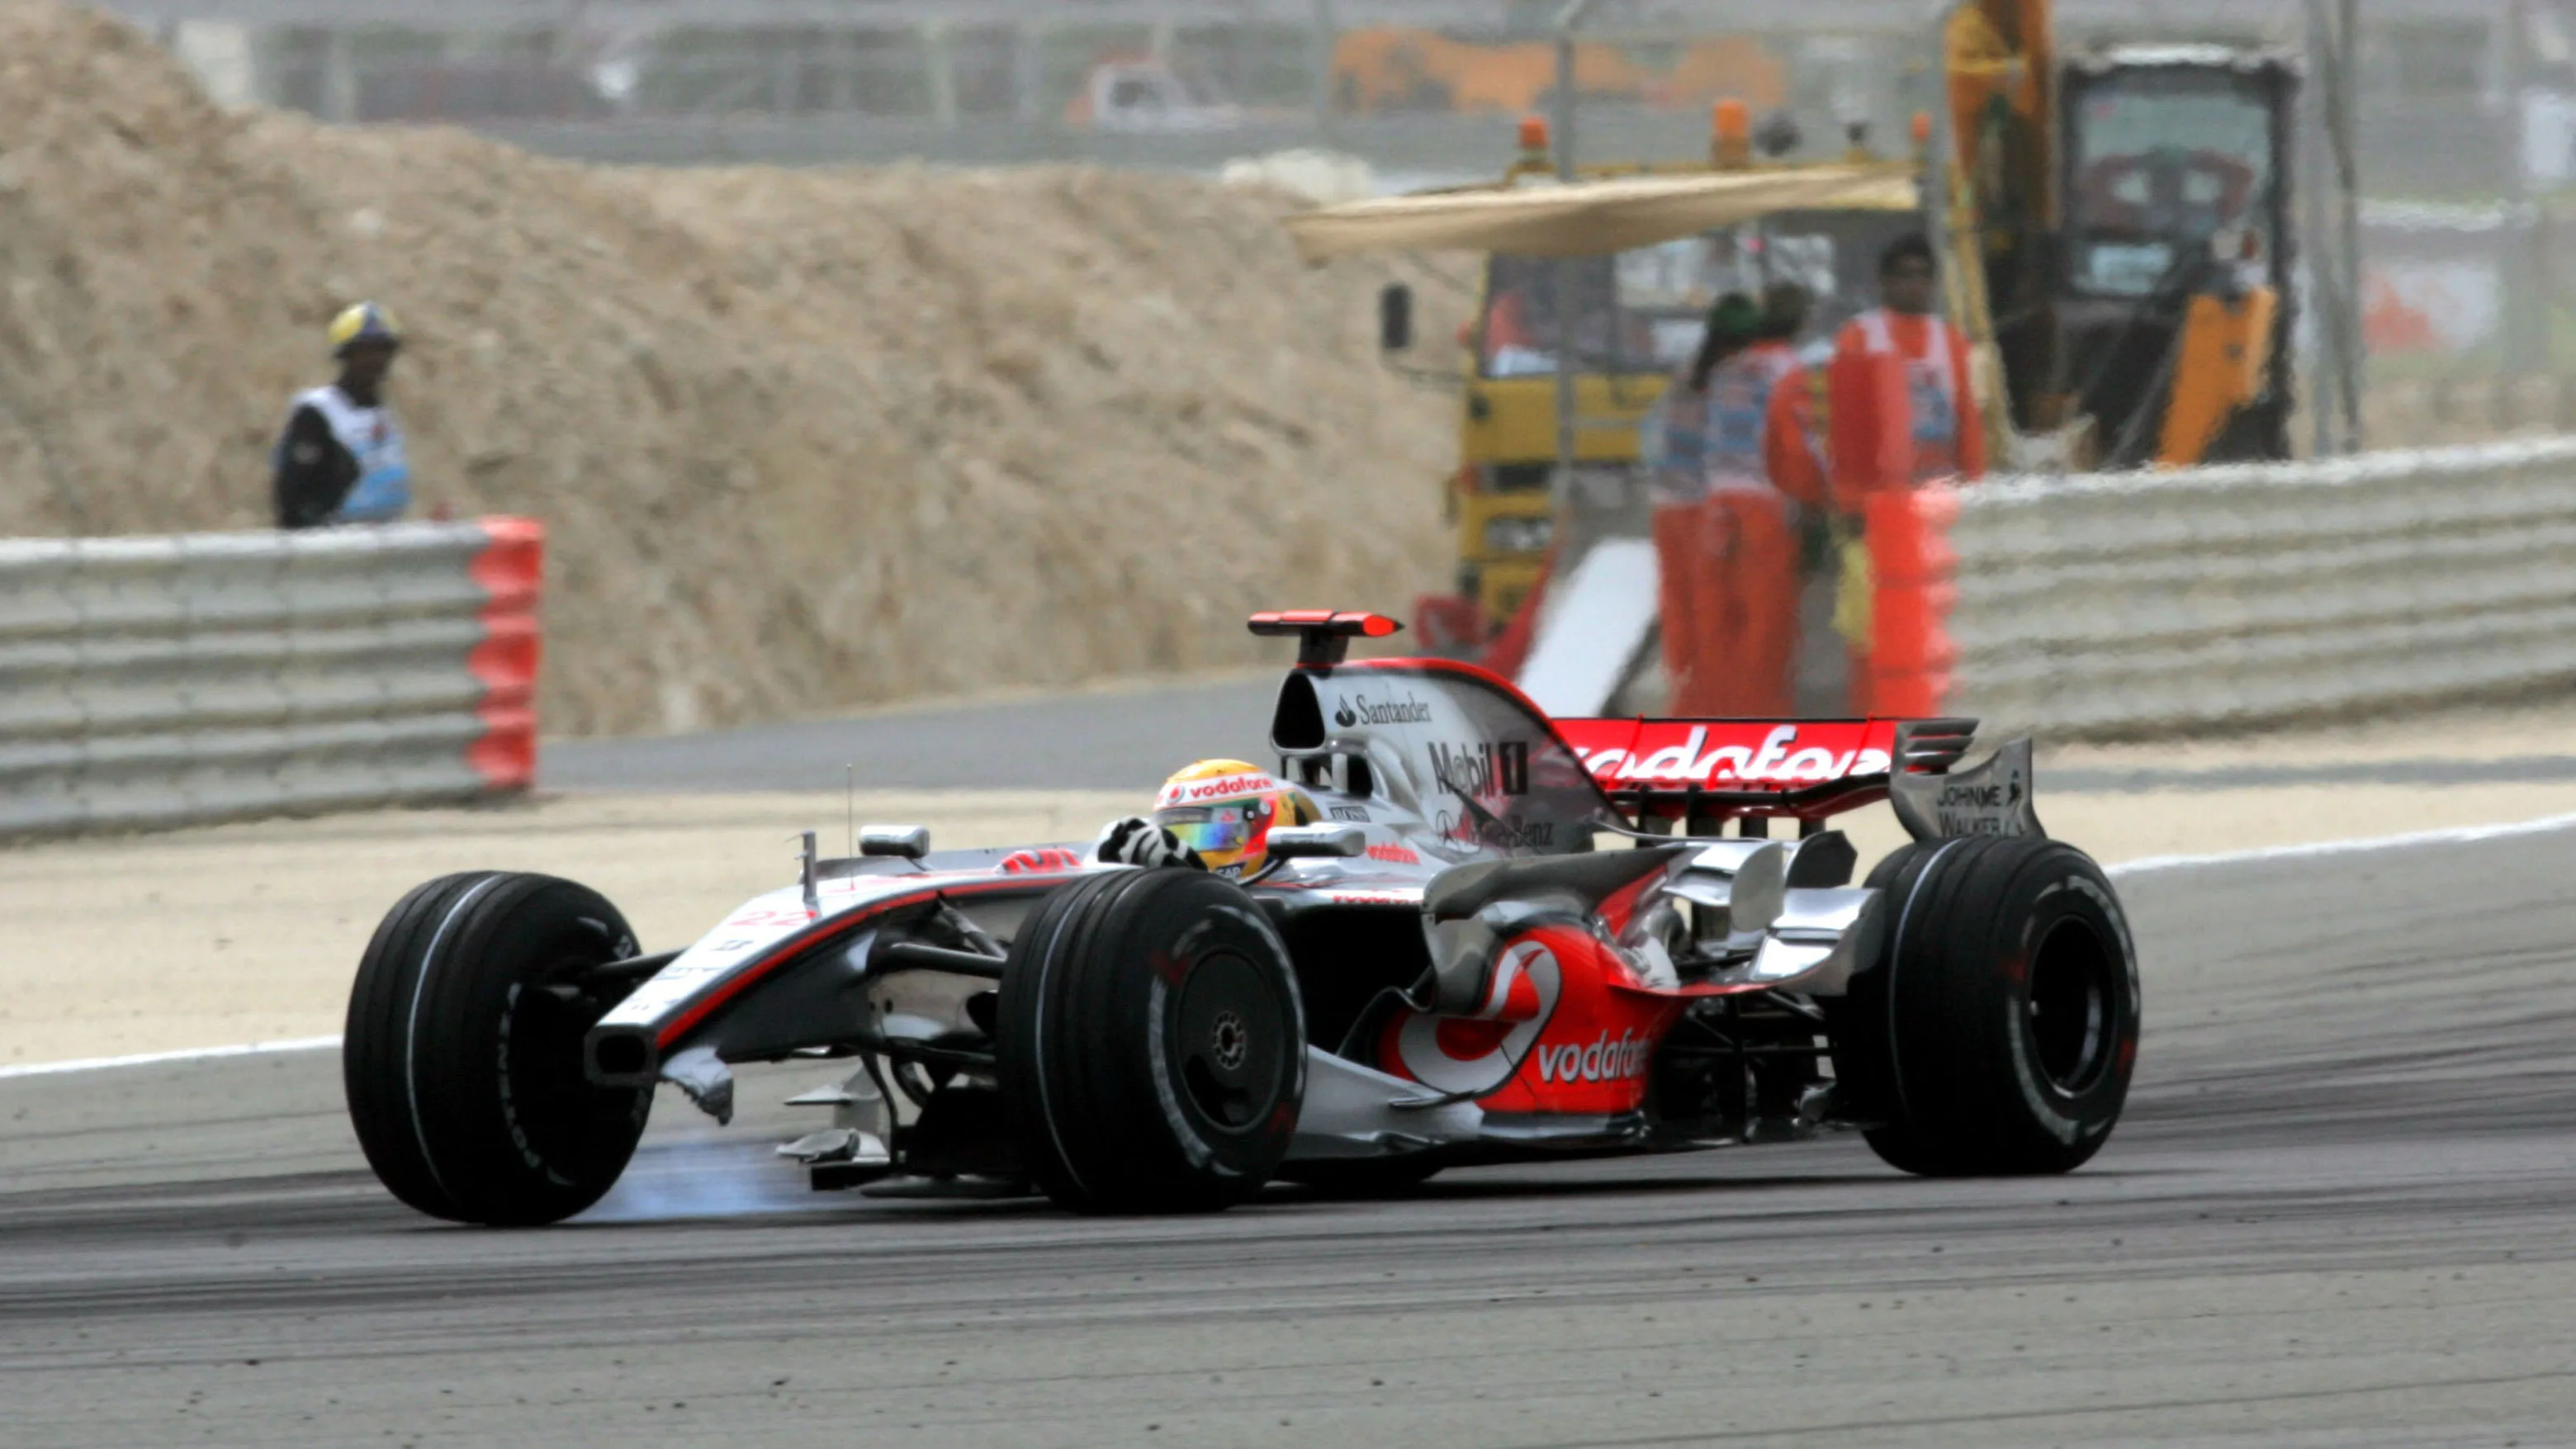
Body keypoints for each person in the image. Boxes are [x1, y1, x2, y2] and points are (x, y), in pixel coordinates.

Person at [1825, 234, 1986, 709]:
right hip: (1874, 507)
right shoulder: (1860, 337)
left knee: (1935, 621)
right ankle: (1871, 716)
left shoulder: (1949, 342)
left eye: (1922, 276)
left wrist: (1976, 492)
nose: (1914, 285)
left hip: (1936, 503)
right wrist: (1849, 500)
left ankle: (1924, 714)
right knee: (1871, 624)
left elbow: (1968, 421)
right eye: (1904, 276)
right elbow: (1845, 424)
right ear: (1884, 282)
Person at [1687, 282, 1819, 716]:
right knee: (1766, 624)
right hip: (1764, 507)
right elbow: (1797, 449)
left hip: (1716, 506)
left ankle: (1716, 719)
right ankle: (1762, 722)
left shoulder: (1725, 367)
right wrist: (1818, 500)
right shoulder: (1786, 369)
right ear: (1799, 322)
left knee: (1718, 621)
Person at [1646, 291, 1759, 715]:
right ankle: (1716, 707)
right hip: (1704, 508)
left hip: (1666, 505)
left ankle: (1685, 701)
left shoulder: (1686, 373)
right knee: (1713, 609)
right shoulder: (1733, 378)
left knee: (1679, 607)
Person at [272, 302, 413, 530]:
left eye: (383, 349)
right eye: (365, 350)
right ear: (345, 354)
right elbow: (292, 496)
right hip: (336, 542)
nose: (376, 360)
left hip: (386, 538)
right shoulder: (317, 413)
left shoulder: (384, 415)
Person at [1095, 760, 1320, 880]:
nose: (1184, 851)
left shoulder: (1316, 878)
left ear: (1261, 824)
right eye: (1176, 837)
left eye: (1210, 835)